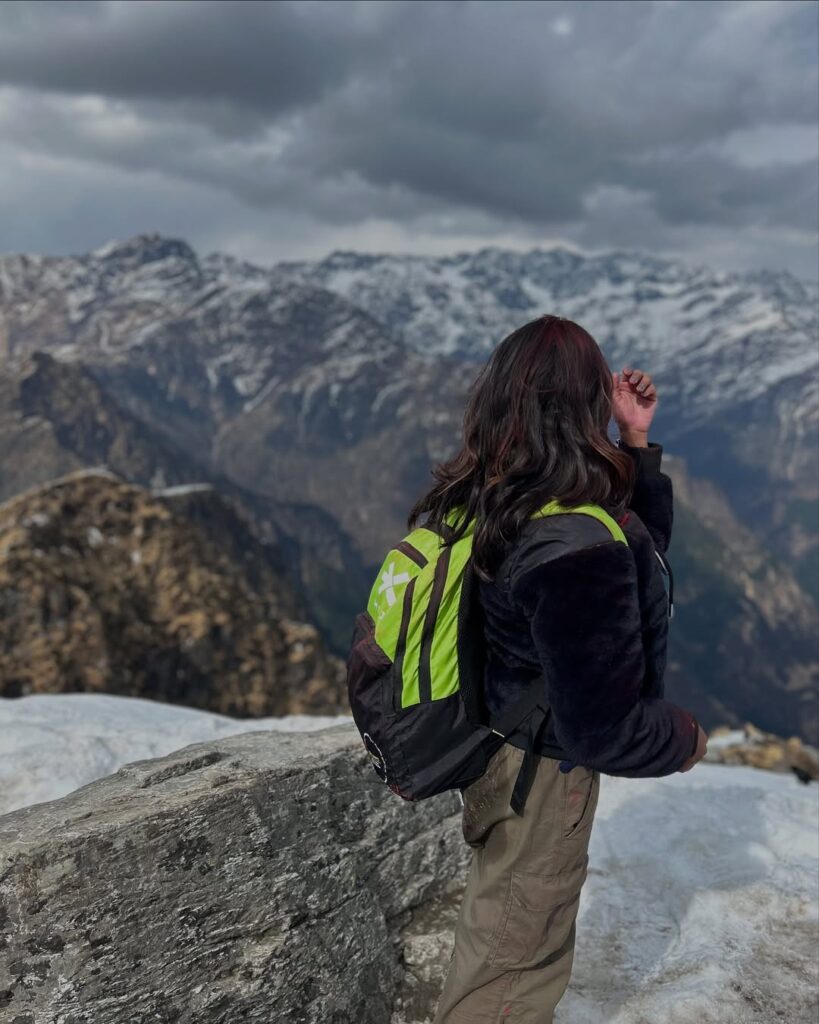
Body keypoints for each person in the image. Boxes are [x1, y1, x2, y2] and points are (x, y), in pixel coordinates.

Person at [406, 315, 708, 1024]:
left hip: (494, 744)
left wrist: (634, 444)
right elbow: (600, 730)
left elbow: (631, 556)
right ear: (580, 406)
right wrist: (682, 735)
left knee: (496, 927)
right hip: (542, 775)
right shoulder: (572, 542)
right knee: (513, 967)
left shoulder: (496, 489)